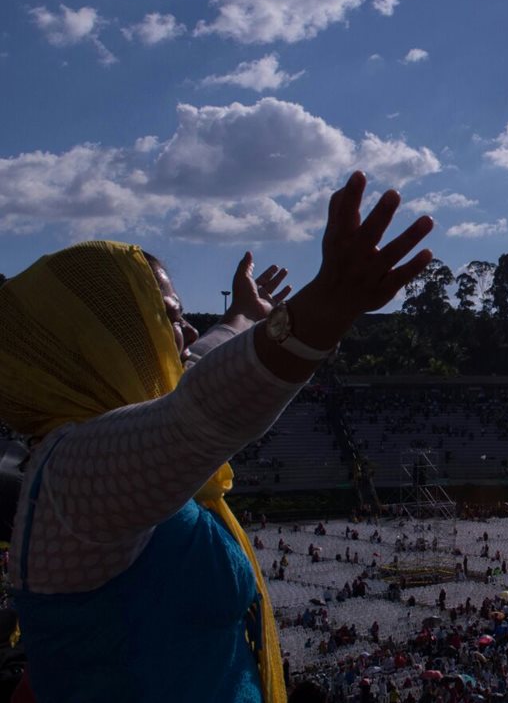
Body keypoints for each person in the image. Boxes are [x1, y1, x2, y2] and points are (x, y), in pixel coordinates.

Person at [0, 171, 434, 702]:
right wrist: (329, 304)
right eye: (167, 317)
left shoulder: (83, 457)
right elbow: (198, 413)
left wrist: (241, 317)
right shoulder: (73, 475)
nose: (184, 331)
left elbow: (194, 370)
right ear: (104, 340)